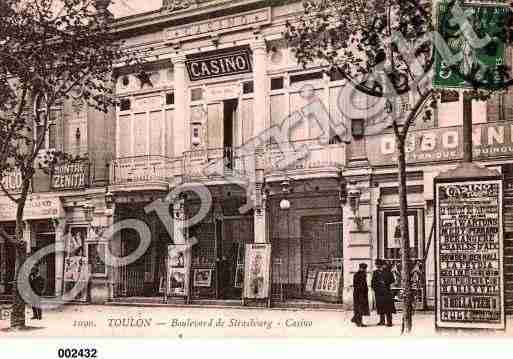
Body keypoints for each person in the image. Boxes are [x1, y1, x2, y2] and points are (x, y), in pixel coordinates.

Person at [371, 259, 396, 327]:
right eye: (376, 264)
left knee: (388, 307)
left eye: (377, 264)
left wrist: (385, 282)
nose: (376, 265)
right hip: (379, 292)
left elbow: (392, 280)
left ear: (380, 264)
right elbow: (372, 282)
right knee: (380, 307)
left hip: (386, 292)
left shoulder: (388, 271)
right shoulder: (375, 272)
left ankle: (389, 322)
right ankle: (382, 321)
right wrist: (375, 288)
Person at [351, 263, 370, 327]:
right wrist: (363, 290)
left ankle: (356, 319)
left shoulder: (360, 274)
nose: (365, 270)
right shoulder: (360, 275)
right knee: (360, 308)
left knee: (359, 308)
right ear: (361, 268)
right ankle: (359, 322)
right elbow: (357, 285)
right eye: (364, 268)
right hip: (359, 294)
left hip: (360, 293)